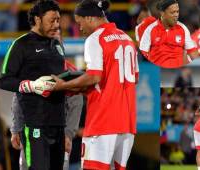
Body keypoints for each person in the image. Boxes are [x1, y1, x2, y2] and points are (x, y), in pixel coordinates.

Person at [51, 0, 139, 169]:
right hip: (127, 125)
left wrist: (62, 86)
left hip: (103, 123)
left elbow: (94, 77)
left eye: (80, 22)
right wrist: (80, 87)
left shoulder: (95, 39)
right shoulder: (127, 38)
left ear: (90, 18)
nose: (80, 28)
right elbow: (134, 79)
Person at [0, 0, 66, 169]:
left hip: (58, 123)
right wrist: (31, 85)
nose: (56, 25)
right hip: (35, 124)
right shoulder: (21, 44)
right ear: (37, 19)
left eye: (58, 20)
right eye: (52, 20)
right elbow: (5, 80)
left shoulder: (57, 45)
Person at [139, 0, 199, 68]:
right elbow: (143, 53)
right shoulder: (150, 29)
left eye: (177, 12)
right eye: (172, 12)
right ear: (162, 13)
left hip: (177, 71)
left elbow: (192, 53)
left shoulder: (183, 28)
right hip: (157, 71)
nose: (176, 15)